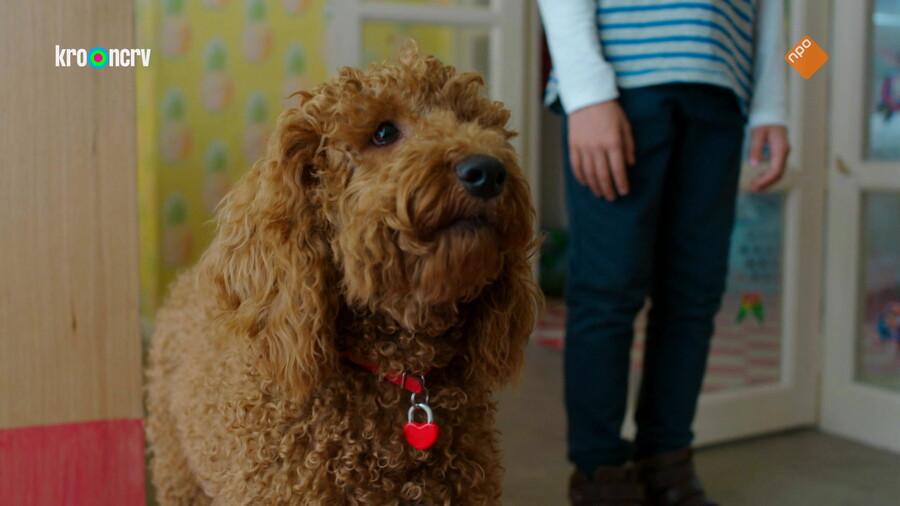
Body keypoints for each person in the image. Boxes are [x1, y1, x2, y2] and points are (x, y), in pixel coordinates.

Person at [535, 1, 790, 505]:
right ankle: (599, 474)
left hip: (721, 98)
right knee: (608, 290)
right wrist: (585, 92)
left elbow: (781, 11)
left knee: (694, 295)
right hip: (621, 87)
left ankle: (666, 464)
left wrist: (773, 107)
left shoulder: (805, 51)